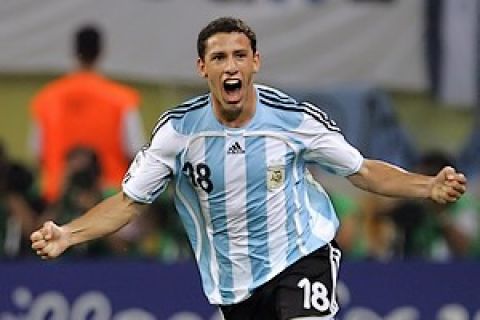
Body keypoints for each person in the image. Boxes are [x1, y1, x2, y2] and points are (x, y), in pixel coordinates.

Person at [30, 17, 467, 320]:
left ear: (255, 62)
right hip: (234, 283)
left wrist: (427, 187)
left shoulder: (293, 120)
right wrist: (69, 233)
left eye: (240, 55)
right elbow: (128, 204)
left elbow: (363, 171)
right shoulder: (179, 133)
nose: (231, 66)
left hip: (302, 255)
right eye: (219, 58)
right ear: (203, 68)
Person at [29, 24, 145, 203]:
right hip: (108, 200)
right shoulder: (121, 99)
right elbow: (136, 154)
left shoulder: (47, 98)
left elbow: (37, 153)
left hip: (56, 198)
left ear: (74, 51)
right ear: (101, 51)